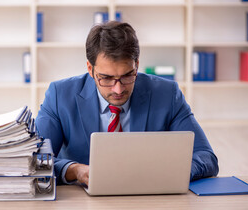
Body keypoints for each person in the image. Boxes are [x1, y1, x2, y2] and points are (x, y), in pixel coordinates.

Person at [35, 21, 219, 186]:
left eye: (127, 76)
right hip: (82, 203)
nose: (118, 89)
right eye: (106, 78)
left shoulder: (167, 94)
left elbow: (206, 157)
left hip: (150, 199)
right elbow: (35, 159)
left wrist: (169, 173)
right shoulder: (60, 95)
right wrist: (75, 170)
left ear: (137, 65)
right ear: (90, 69)